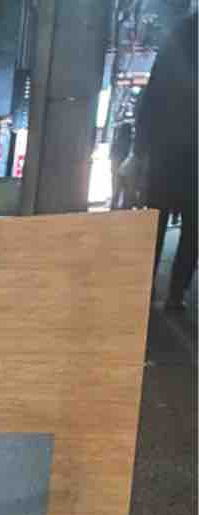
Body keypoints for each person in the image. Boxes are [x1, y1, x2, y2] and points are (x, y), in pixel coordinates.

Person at [135, 11, 198, 309]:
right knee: (193, 228)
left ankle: (144, 287)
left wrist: (140, 149)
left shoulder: (174, 41)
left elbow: (151, 100)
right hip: (194, 158)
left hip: (165, 151)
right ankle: (176, 294)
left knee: (156, 222)